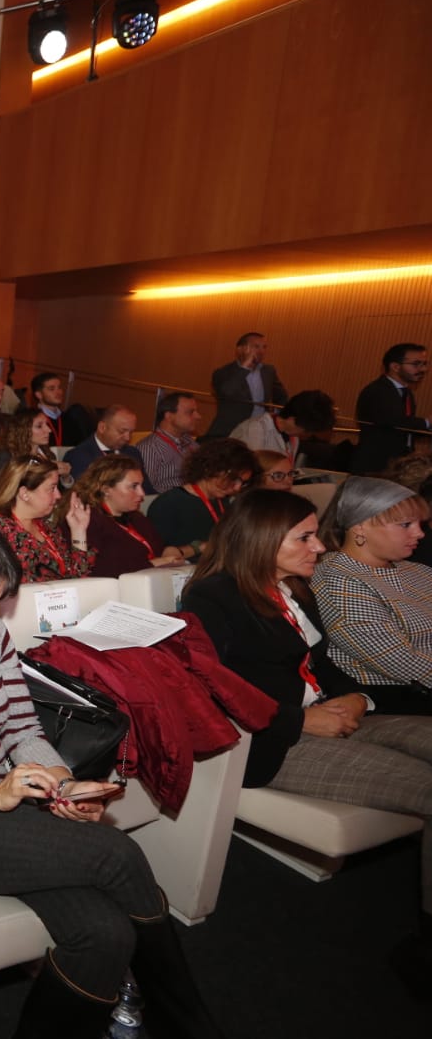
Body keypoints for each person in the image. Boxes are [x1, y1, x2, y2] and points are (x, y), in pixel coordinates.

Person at [0, 515, 223, 1038]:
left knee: (104, 934)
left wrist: (58, 779)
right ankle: (188, 1024)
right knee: (115, 852)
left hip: (4, 799)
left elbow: (21, 727)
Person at [183, 490, 432, 992]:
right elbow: (211, 690)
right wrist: (299, 722)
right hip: (273, 741)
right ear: (261, 540)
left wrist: (363, 698)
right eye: (305, 536)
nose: (320, 546)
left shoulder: (295, 589)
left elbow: (322, 667)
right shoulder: (213, 597)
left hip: (328, 713)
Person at [310, 476, 432, 698]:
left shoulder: (415, 570)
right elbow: (402, 662)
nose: (420, 533)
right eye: (406, 525)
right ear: (360, 527)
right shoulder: (339, 580)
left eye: (420, 524)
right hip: (400, 697)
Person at [0, 455, 95, 583]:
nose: (58, 495)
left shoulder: (48, 527)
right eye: (52, 488)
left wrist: (78, 531)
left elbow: (77, 580)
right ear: (24, 493)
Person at [70, 455, 191, 577]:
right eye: (133, 486)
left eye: (141, 486)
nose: (142, 493)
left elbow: (155, 550)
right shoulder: (85, 521)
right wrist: (152, 564)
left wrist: (166, 552)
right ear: (106, 489)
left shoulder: (136, 518)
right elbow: (97, 571)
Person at [146, 437, 258, 550]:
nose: (237, 488)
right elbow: (159, 554)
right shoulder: (168, 504)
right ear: (210, 468)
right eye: (233, 478)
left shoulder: (225, 503)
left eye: (243, 483)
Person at [353, 342, 430, 474]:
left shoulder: (406, 393)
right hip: (375, 465)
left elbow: (403, 430)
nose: (423, 369)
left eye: (425, 364)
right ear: (395, 366)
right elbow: (393, 421)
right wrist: (427, 423)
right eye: (416, 364)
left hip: (397, 464)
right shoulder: (378, 390)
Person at [207, 332, 289, 437]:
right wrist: (244, 367)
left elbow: (282, 397)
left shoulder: (268, 371)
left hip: (259, 430)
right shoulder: (223, 372)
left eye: (264, 347)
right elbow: (226, 392)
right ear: (240, 350)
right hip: (231, 430)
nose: (261, 351)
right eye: (256, 347)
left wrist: (275, 415)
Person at [229, 389, 335, 466]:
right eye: (305, 430)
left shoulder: (292, 437)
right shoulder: (255, 429)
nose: (306, 434)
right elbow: (253, 469)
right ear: (292, 419)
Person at [64, 405, 150, 490]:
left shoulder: (133, 453)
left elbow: (147, 490)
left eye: (131, 432)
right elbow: (84, 494)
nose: (128, 438)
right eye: (122, 431)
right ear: (102, 427)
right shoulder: (78, 456)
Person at [136, 392, 201, 494]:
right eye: (190, 412)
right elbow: (145, 491)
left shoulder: (191, 443)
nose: (198, 416)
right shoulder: (150, 448)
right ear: (169, 416)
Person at [28, 372, 94, 447]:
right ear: (39, 395)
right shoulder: (31, 419)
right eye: (51, 389)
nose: (58, 392)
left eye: (59, 387)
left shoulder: (69, 419)